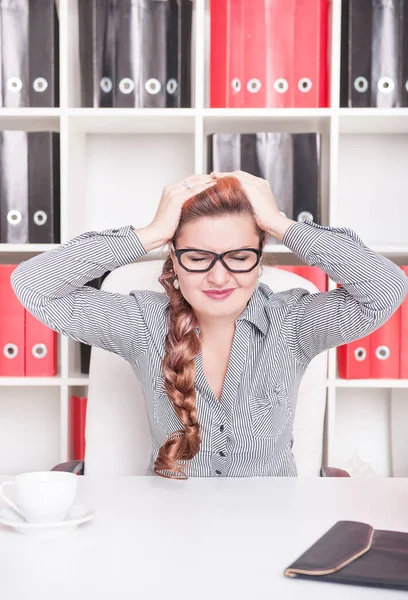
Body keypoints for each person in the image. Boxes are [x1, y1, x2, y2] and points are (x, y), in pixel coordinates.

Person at [11, 171, 408, 480]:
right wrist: (148, 234)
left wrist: (281, 223)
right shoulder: (143, 323)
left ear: (260, 254)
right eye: (198, 257)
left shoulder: (295, 322)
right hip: (171, 528)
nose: (219, 278)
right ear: (175, 256)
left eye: (238, 256)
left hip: (273, 528)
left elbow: (386, 288)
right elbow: (33, 286)